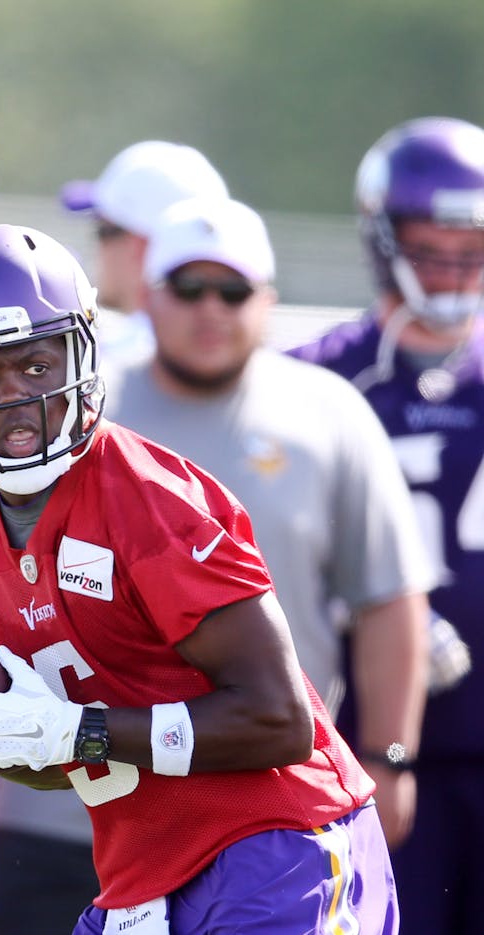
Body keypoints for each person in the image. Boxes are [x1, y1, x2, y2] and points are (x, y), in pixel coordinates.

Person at [0, 223, 396, 933]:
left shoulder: (148, 499)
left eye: (36, 363)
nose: (14, 394)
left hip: (278, 844)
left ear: (81, 351)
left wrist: (70, 732)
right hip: (144, 872)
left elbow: (277, 721)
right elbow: (69, 752)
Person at [109, 196, 432, 843]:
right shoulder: (88, 410)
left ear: (268, 301)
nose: (210, 309)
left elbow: (389, 598)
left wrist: (389, 756)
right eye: (189, 286)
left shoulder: (328, 412)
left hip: (274, 803)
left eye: (232, 290)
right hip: (92, 805)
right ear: (148, 295)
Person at [290, 116, 484, 935]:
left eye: (468, 240)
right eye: (431, 241)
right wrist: (370, 609)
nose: (452, 262)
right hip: (368, 752)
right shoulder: (316, 377)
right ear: (383, 236)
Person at [59, 140, 228, 365]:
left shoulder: (101, 363)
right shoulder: (236, 358)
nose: (96, 248)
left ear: (141, 247)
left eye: (103, 231)